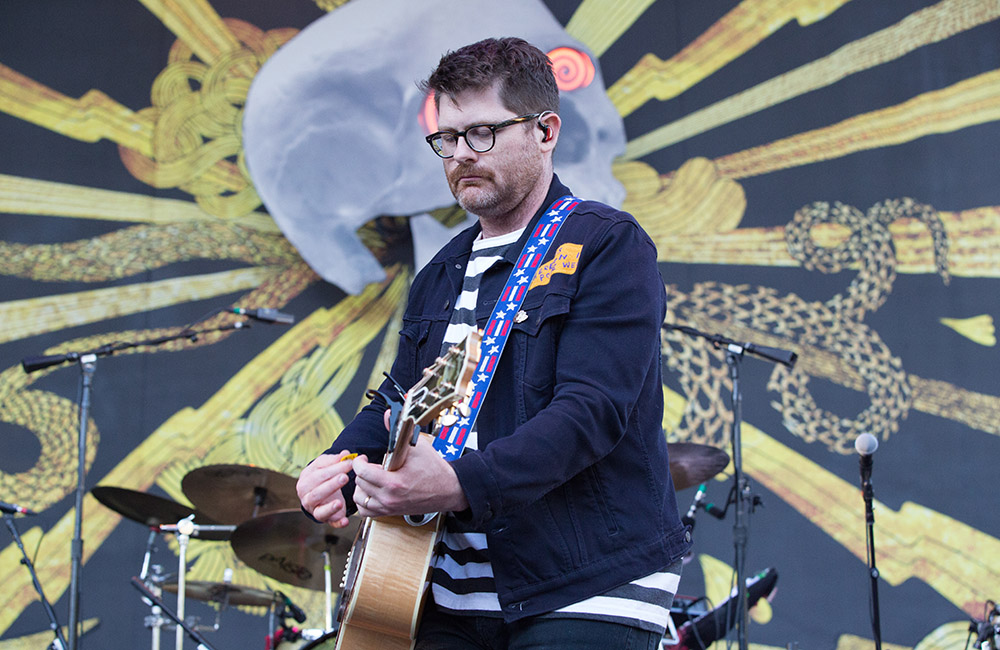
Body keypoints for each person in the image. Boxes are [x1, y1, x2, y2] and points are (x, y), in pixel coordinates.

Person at [296, 36, 691, 650]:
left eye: (481, 133)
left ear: (545, 131)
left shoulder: (606, 243)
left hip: (587, 582)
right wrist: (338, 466)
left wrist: (459, 484)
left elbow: (591, 412)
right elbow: (403, 397)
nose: (460, 155)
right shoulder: (440, 272)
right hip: (442, 588)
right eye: (447, 138)